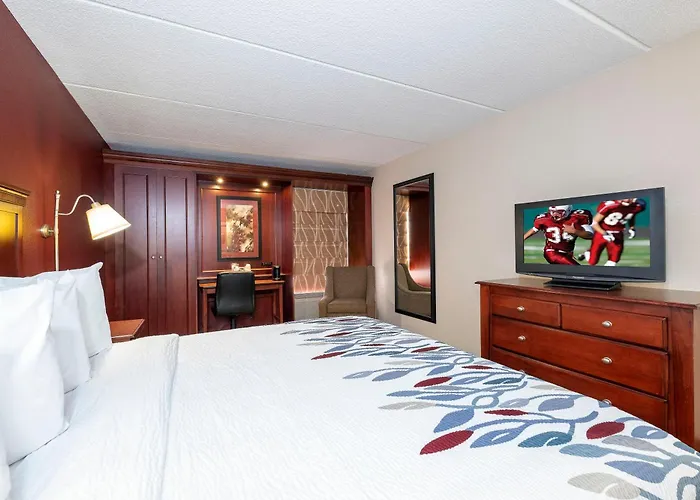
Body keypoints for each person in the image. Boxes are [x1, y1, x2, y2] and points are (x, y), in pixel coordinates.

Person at [577, 198, 646, 266]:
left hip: (618, 234)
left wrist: (631, 227)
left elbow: (631, 215)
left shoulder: (636, 206)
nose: (628, 199)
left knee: (614, 260)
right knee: (593, 261)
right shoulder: (610, 205)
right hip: (602, 233)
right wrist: (604, 233)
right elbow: (594, 222)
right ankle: (588, 253)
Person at [524, 205, 593, 265]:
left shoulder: (578, 217)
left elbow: (590, 235)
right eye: (553, 212)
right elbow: (534, 229)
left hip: (568, 253)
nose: (555, 215)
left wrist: (575, 231)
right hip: (552, 252)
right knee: (578, 270)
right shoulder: (544, 219)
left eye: (559, 212)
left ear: (568, 211)